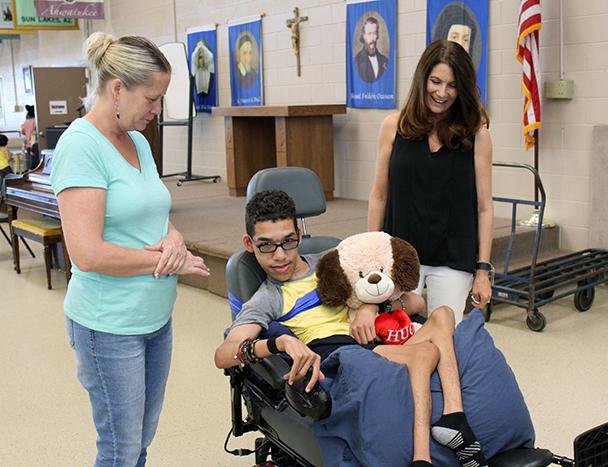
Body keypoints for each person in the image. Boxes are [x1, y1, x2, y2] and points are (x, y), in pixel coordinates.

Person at [215, 190, 487, 467]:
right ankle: (422, 458)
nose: (280, 255)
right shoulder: (268, 297)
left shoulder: (335, 261)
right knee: (425, 354)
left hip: (373, 340)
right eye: (266, 246)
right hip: (342, 356)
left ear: (298, 233)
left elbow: (416, 302)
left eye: (288, 241)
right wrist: (279, 343)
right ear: (249, 244)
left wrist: (371, 307)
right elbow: (223, 355)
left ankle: (455, 417)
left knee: (443, 315)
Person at [51, 32, 210, 467]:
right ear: (117, 88)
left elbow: (152, 212)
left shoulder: (137, 140)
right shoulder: (80, 146)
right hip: (108, 326)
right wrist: (164, 259)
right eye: (153, 99)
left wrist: (174, 238)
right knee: (120, 451)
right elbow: (87, 253)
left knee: (139, 440)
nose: (157, 111)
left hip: (154, 318)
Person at [368, 40, 494, 324]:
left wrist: (483, 272)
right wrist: (371, 255)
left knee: (442, 339)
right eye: (435, 81)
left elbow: (485, 207)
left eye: (452, 85)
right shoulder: (394, 126)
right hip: (400, 254)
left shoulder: (477, 135)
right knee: (396, 335)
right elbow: (379, 196)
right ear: (422, 78)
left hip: (452, 257)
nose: (442, 93)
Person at [354, 16, 388, 83]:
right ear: (364, 36)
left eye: (374, 33)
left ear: (377, 35)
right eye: (369, 34)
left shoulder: (385, 61)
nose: (372, 38)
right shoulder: (356, 62)